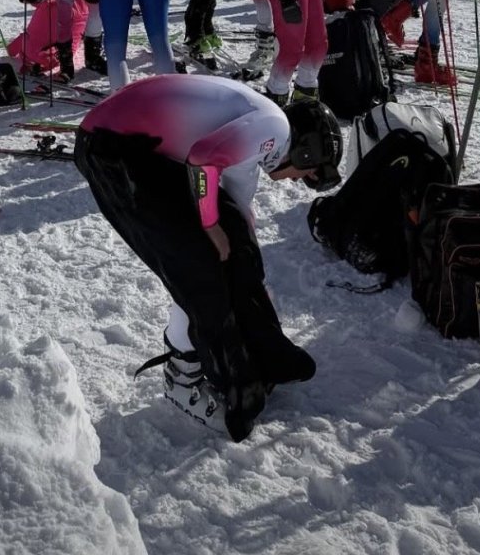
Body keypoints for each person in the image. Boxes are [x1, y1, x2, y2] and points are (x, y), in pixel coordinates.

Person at [74, 75, 342, 440]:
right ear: (305, 150)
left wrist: (234, 238)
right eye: (308, 172)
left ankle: (254, 357)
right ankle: (182, 379)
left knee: (230, 251)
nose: (299, 179)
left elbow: (237, 207)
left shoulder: (259, 136)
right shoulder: (273, 129)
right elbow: (202, 161)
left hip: (137, 148)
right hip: (113, 149)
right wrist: (212, 226)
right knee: (197, 265)